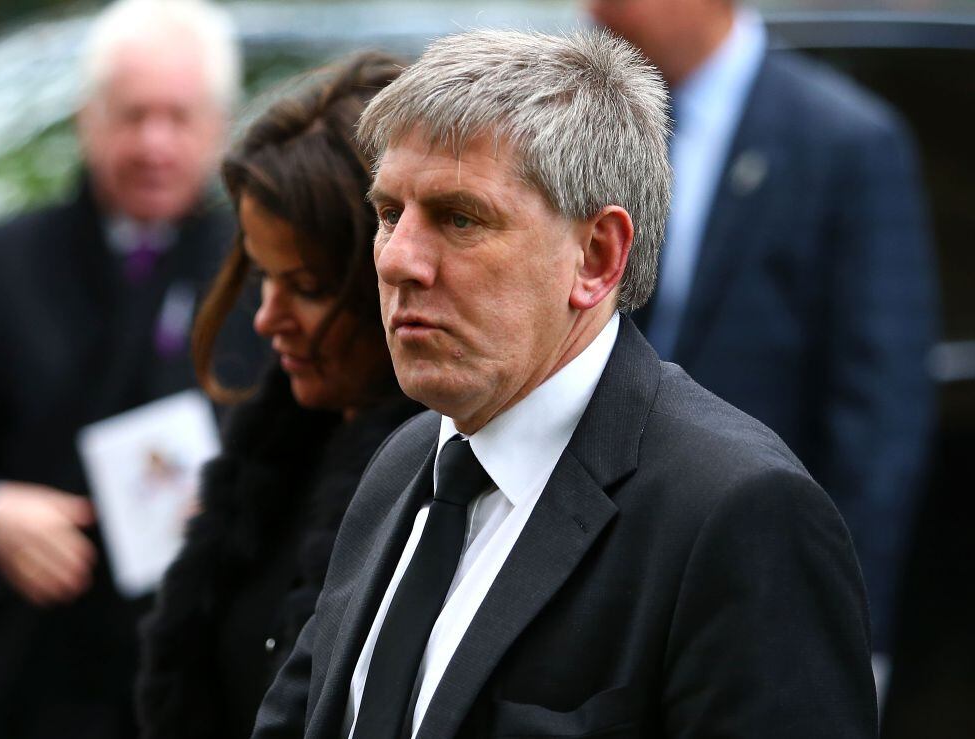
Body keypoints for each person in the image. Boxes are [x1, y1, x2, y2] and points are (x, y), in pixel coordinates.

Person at [251, 29, 877, 739]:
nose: (399, 261)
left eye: (459, 218)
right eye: (390, 213)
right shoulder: (403, 465)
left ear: (597, 256)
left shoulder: (737, 513)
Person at [0, 1, 262, 737]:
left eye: (178, 117)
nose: (154, 143)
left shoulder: (266, 274)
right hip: (27, 676)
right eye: (132, 116)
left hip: (205, 679)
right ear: (86, 120)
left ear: (219, 128)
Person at [586, 0, 937, 662]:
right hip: (618, 579)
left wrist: (841, 620)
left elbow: (880, 416)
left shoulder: (847, 140)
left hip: (768, 575)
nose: (598, 9)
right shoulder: (599, 129)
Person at [134, 51, 419, 739]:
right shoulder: (277, 448)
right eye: (262, 276)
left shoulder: (432, 484)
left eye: (309, 286)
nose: (266, 317)